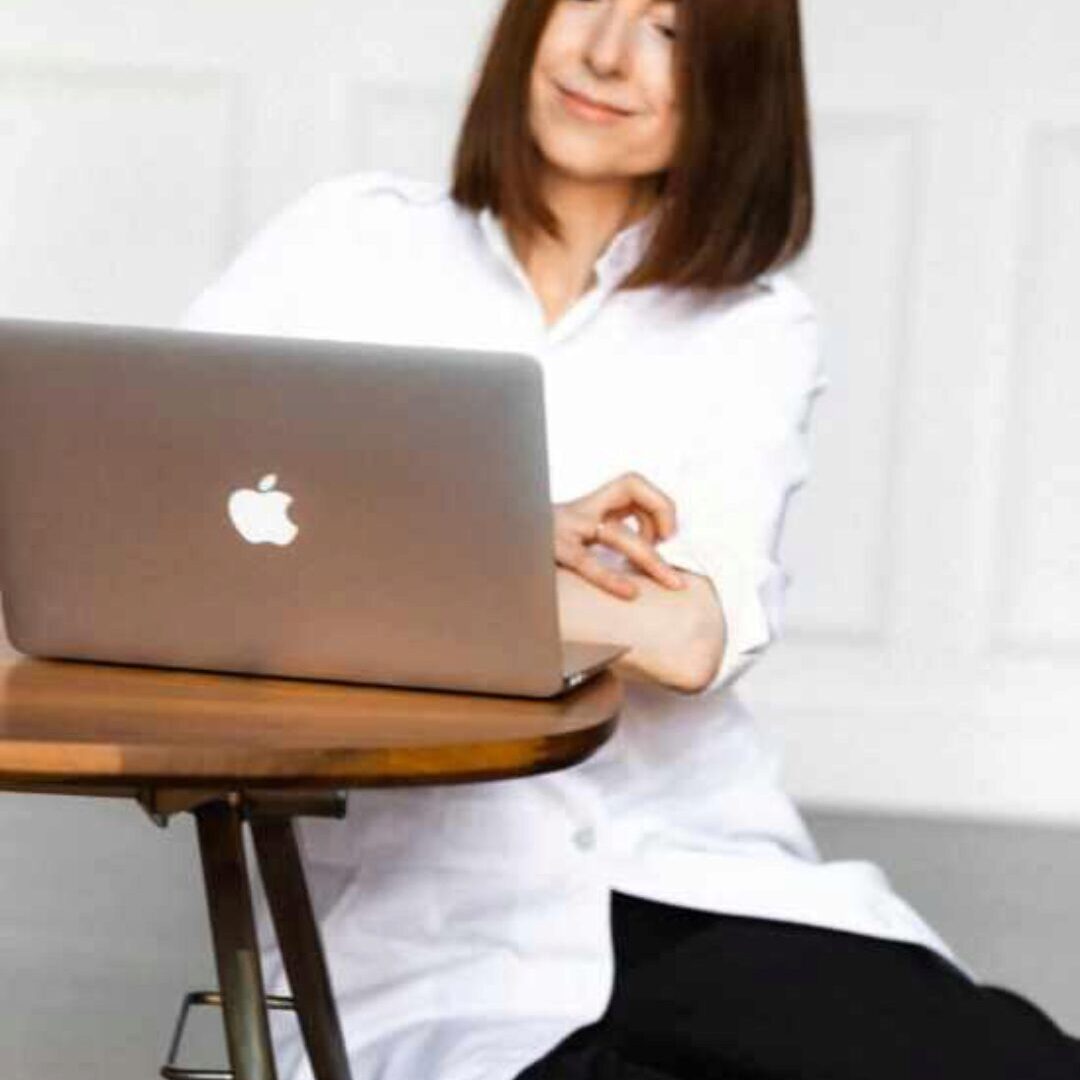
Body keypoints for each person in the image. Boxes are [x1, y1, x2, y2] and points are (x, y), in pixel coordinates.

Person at [180, 1, 1080, 1077]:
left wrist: (376, 556)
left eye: (669, 31)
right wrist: (522, 540)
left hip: (694, 885)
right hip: (429, 930)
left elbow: (688, 639)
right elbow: (166, 524)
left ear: (735, 86)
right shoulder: (348, 244)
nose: (605, 54)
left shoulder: (751, 328)